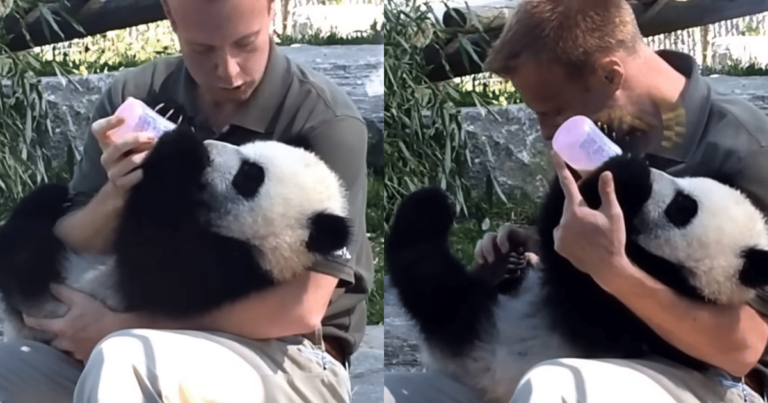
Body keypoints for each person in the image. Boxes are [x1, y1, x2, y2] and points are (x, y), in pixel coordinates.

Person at [384, 0, 768, 402]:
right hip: (582, 353)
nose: (546, 132)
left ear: (609, 73)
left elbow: (747, 348)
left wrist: (612, 270)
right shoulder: (610, 132)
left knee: (555, 387)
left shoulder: (746, 153)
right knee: (405, 393)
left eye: (552, 112)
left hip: (713, 379)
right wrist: (547, 245)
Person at [0, 0, 374, 401]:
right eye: (202, 49)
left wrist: (122, 325)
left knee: (125, 359)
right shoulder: (136, 95)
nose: (228, 69)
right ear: (170, 16)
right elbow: (70, 238)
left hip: (283, 354)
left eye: (246, 44)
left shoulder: (326, 123)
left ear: (272, 10)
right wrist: (119, 192)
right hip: (112, 331)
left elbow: (301, 311)